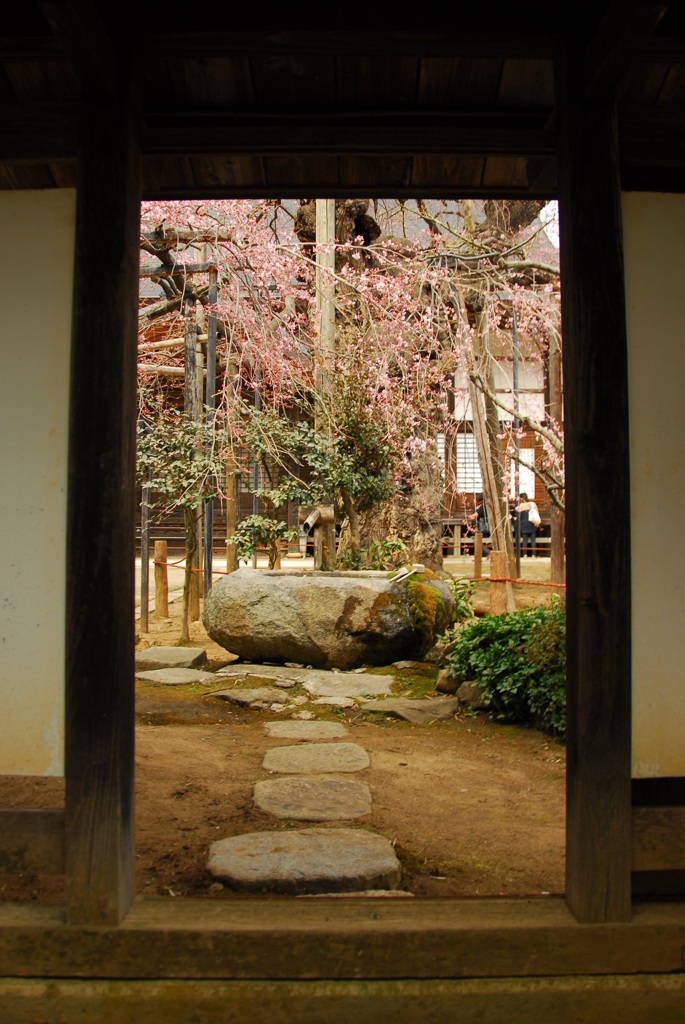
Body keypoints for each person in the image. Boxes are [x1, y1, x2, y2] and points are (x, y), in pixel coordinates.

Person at [513, 492, 538, 557]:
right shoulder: (532, 504)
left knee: (524, 540)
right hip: (532, 523)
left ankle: (524, 554)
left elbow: (518, 517)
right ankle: (534, 554)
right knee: (533, 540)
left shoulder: (520, 506)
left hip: (524, 524)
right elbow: (536, 513)